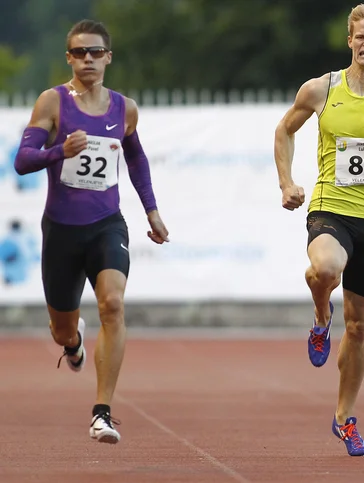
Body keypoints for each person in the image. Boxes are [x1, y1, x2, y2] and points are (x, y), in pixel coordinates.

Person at [273, 4, 364, 456]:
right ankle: (321, 317)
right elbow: (284, 130)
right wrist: (287, 182)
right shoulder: (322, 89)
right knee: (326, 267)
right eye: (361, 37)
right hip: (329, 208)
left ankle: (345, 418)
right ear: (350, 41)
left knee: (359, 327)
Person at [13, 19, 169, 444]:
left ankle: (102, 412)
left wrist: (152, 211)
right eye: (79, 53)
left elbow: (135, 159)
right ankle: (74, 342)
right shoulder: (53, 103)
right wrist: (57, 151)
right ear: (69, 58)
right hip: (62, 231)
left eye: (95, 52)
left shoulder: (125, 108)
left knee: (113, 304)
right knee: (61, 329)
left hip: (106, 224)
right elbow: (22, 160)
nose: (88, 60)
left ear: (108, 57)